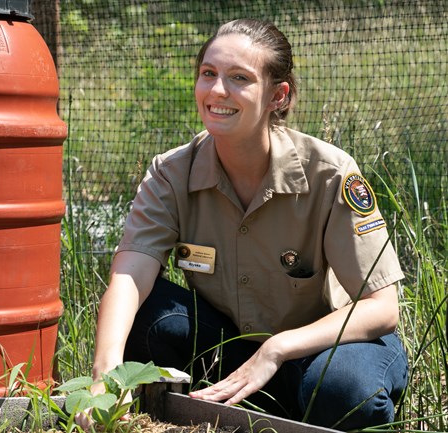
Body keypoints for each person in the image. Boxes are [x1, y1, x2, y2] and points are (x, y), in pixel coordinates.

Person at [89, 18, 408, 430]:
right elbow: (130, 276)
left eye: (239, 78)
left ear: (278, 95)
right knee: (150, 317)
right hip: (233, 350)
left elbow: (382, 310)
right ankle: (241, 413)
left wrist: (277, 349)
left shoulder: (330, 174)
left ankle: (304, 407)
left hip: (327, 349)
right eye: (209, 74)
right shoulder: (170, 173)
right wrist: (105, 375)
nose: (217, 91)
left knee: (344, 389)